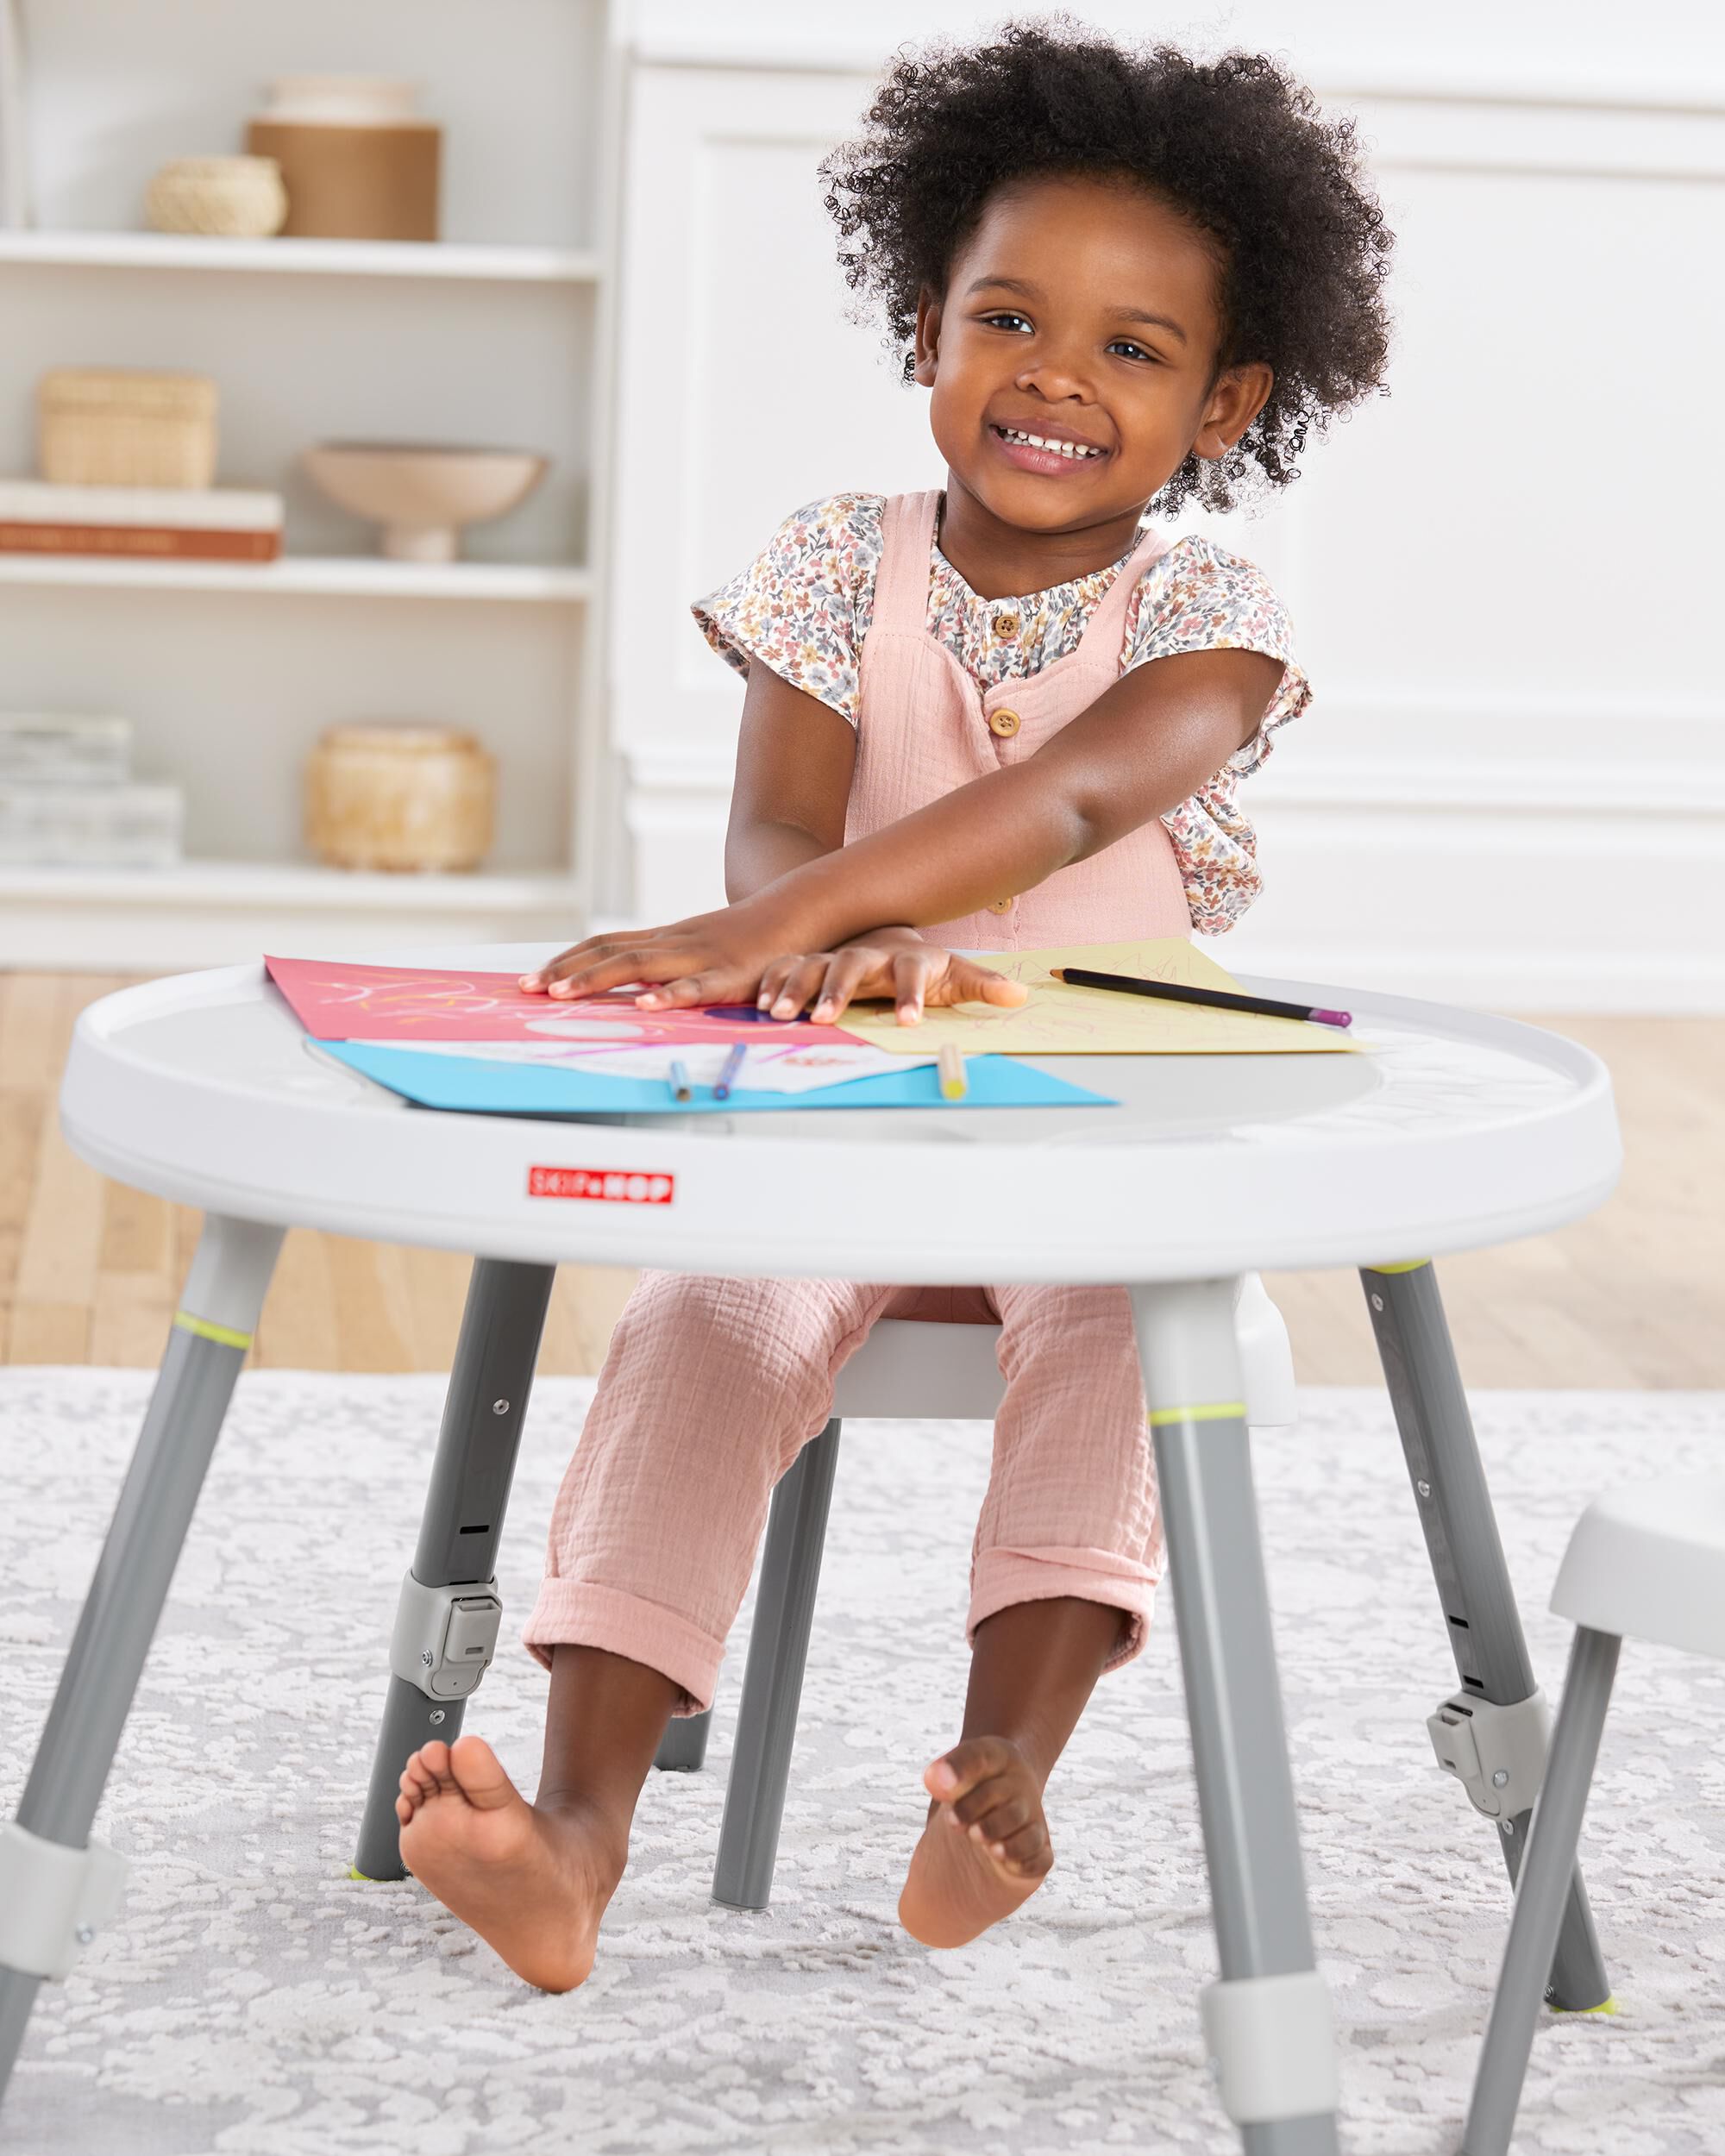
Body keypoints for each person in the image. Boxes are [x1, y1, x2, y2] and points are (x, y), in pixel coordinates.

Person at [393, 20, 1394, 1991]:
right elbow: (776, 826)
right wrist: (787, 934)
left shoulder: (1213, 615)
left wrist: (790, 927)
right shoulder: (834, 562)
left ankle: (998, 1774)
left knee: (1114, 1332)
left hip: (1102, 1138)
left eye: (1132, 348)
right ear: (924, 326)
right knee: (703, 1318)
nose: (1052, 377)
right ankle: (582, 1828)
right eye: (1006, 317)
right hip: (844, 1127)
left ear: (1224, 403)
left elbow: (1084, 794)